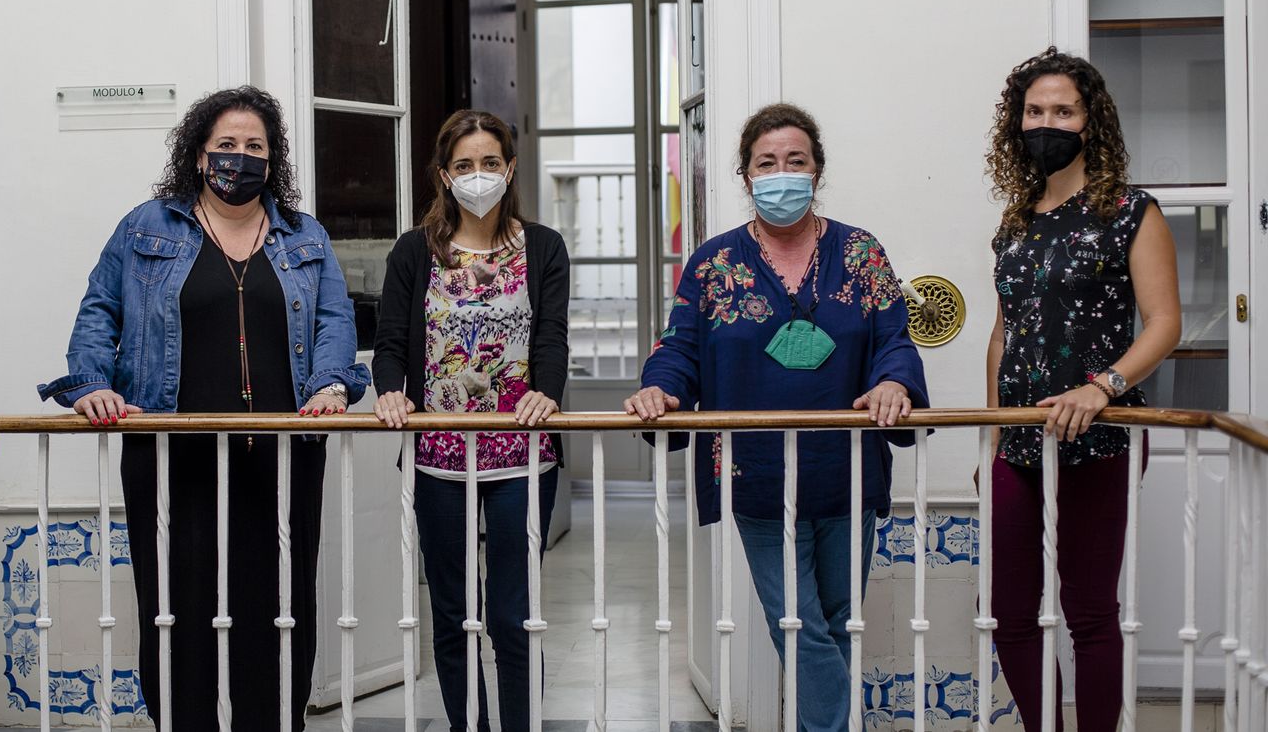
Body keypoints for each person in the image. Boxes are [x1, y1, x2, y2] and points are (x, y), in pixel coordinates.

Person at [38, 85, 368, 730]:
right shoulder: (144, 227)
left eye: (255, 148)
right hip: (171, 457)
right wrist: (91, 383)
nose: (239, 159)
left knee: (280, 608)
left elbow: (335, 320)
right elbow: (97, 313)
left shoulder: (307, 236)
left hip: (283, 455)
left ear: (273, 162)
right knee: (174, 608)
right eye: (226, 146)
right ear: (197, 155)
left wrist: (331, 383)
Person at [625, 103, 928, 732]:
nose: (782, 174)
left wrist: (895, 380)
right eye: (767, 163)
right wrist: (660, 389)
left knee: (841, 621)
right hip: (755, 474)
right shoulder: (712, 264)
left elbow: (894, 338)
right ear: (745, 175)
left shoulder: (862, 253)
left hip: (847, 472)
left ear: (817, 171)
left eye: (796, 161)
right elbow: (679, 347)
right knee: (794, 619)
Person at [983, 48, 1180, 732]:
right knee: (1009, 614)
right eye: (1034, 111)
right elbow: (1003, 334)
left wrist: (1104, 388)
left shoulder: (1131, 210)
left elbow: (1164, 323)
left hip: (1100, 439)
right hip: (1018, 446)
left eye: (1062, 111)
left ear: (1089, 121)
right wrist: (991, 437)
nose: (1047, 123)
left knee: (1089, 612)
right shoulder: (1016, 220)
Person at [372, 109, 569, 732]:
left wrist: (549, 395)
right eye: (464, 165)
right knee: (456, 614)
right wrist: (389, 393)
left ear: (509, 170)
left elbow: (552, 338)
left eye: (489, 163)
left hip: (523, 456)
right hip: (439, 458)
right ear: (442, 175)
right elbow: (391, 344)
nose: (478, 175)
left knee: (514, 613)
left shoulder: (542, 248)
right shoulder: (415, 250)